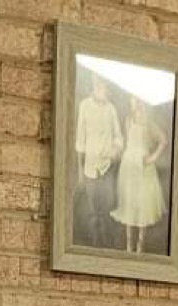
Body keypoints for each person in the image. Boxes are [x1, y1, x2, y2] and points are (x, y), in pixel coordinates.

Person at [110, 96, 167, 254]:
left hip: (143, 166)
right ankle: (129, 245)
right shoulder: (128, 120)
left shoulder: (148, 122)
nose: (132, 103)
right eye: (131, 100)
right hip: (129, 165)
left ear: (141, 101)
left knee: (143, 203)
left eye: (135, 100)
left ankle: (140, 246)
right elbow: (126, 143)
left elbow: (163, 140)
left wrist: (152, 158)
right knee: (129, 201)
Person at [75, 73, 123, 249]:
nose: (106, 91)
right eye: (103, 87)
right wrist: (81, 174)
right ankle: (94, 250)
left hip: (108, 168)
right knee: (93, 212)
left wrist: (116, 150)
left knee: (109, 209)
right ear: (95, 87)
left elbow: (119, 137)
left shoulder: (111, 109)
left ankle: (109, 249)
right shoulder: (84, 107)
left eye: (107, 88)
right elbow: (80, 141)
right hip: (90, 168)